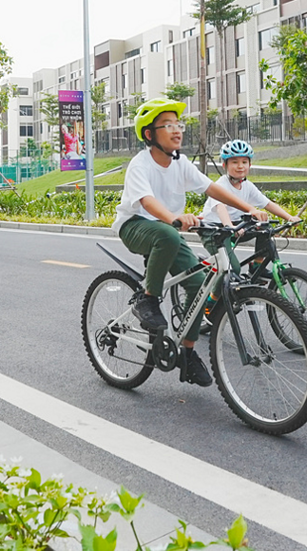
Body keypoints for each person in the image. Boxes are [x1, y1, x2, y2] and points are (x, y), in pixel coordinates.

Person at [113, 98, 270, 387]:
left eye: (178, 125)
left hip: (168, 232)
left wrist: (249, 209)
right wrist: (174, 217)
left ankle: (187, 353)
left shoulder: (181, 163)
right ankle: (147, 299)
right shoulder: (140, 164)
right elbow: (146, 202)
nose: (177, 130)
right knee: (168, 234)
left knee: (199, 283)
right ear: (150, 134)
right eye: (168, 125)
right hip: (136, 226)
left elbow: (212, 188)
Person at [201, 139, 297, 270]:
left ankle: (257, 267)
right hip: (214, 230)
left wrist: (289, 218)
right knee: (232, 269)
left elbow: (267, 204)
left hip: (235, 227)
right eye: (234, 162)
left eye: (244, 162)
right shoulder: (220, 185)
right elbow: (220, 208)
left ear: (250, 165)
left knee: (265, 228)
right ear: (224, 165)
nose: (240, 166)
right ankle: (211, 278)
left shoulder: (248, 186)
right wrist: (230, 227)